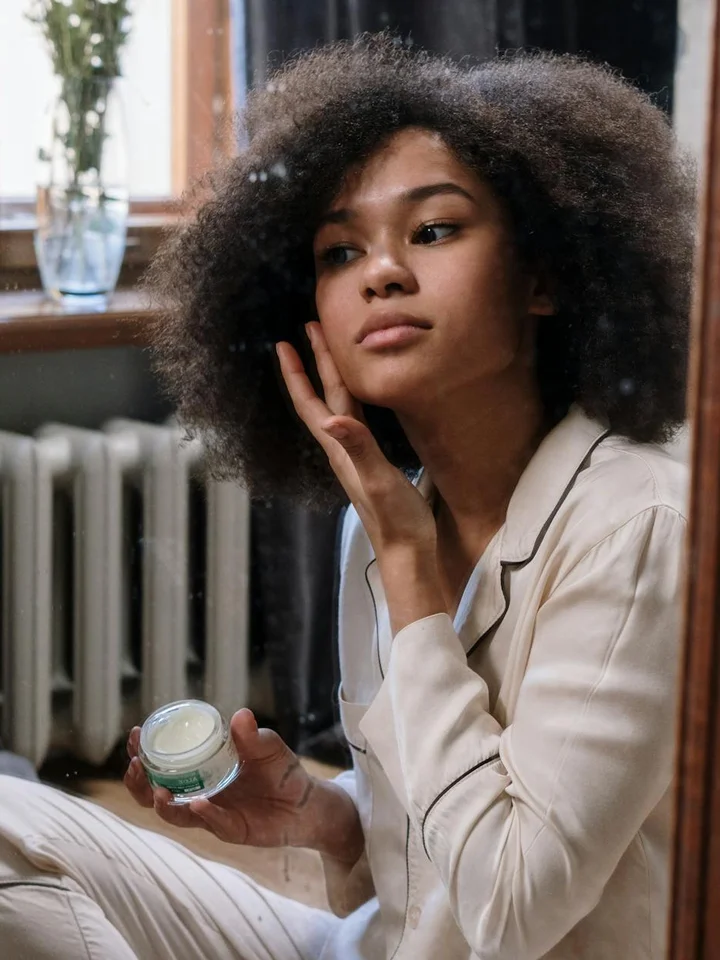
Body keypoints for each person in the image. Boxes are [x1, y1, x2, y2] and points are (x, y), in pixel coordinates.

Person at [0, 33, 694, 960]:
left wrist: (410, 575)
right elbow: (416, 882)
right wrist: (321, 820)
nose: (382, 272)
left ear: (545, 276)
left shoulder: (637, 523)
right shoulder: (388, 514)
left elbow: (512, 909)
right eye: (339, 250)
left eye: (435, 229)